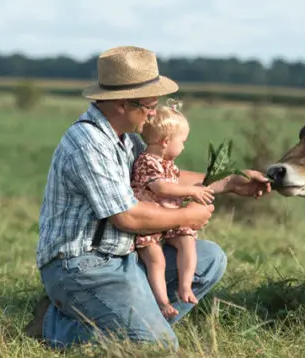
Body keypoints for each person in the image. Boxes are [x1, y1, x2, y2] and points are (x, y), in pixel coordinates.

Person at [24, 45, 271, 350]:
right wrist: (186, 217)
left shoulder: (126, 138)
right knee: (157, 348)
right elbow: (127, 216)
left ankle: (138, 322)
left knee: (209, 260)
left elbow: (162, 180)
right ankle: (54, 324)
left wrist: (231, 181)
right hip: (82, 266)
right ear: (121, 105)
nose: (155, 112)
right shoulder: (88, 144)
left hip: (122, 257)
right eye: (149, 104)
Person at [129, 99, 215, 319]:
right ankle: (162, 302)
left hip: (170, 219)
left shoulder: (168, 163)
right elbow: (161, 187)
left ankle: (185, 286)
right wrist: (191, 192)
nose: (184, 146)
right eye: (183, 141)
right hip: (149, 224)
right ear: (166, 141)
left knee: (188, 241)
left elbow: (177, 181)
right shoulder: (147, 161)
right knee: (156, 260)